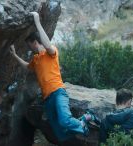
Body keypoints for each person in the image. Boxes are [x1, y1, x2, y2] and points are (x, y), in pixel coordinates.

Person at [10, 12, 96, 142]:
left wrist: (37, 22)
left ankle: (84, 121)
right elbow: (27, 66)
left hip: (58, 92)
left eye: (29, 44)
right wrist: (14, 55)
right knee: (59, 131)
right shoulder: (36, 59)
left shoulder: (51, 52)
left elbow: (47, 45)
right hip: (47, 99)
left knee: (65, 120)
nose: (29, 47)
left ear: (34, 42)